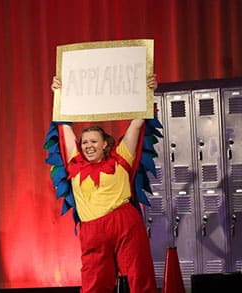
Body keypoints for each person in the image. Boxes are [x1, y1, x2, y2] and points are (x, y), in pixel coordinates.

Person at [49, 75, 158, 292]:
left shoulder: (120, 158)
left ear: (105, 144)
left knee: (139, 276)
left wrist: (149, 91)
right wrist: (57, 94)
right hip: (92, 229)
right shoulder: (75, 163)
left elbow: (137, 124)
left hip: (124, 222)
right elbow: (64, 127)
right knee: (94, 283)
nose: (88, 145)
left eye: (93, 141)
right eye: (85, 142)